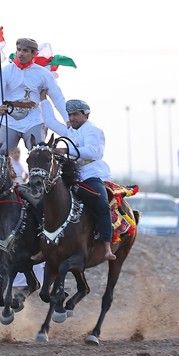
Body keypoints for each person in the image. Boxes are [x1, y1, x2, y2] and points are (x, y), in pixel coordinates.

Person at [38, 94, 117, 260]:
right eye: (70, 115)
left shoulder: (93, 130)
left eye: (75, 114)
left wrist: (67, 150)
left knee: (101, 204)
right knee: (42, 202)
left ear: (85, 115)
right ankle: (42, 245)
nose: (72, 118)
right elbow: (51, 122)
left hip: (91, 174)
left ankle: (106, 246)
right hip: (70, 175)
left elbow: (95, 152)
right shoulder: (69, 130)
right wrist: (43, 99)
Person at [0, 38, 69, 153]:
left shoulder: (44, 74)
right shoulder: (5, 72)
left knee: (39, 153)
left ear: (34, 54)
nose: (21, 53)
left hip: (34, 120)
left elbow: (57, 98)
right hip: (9, 121)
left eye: (25, 51)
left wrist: (68, 120)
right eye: (19, 50)